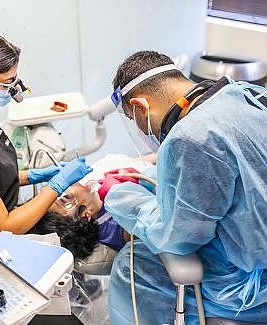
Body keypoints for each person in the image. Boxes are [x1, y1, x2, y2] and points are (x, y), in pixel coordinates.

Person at [104, 50, 267, 324]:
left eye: (135, 122)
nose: (144, 132)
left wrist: (122, 197)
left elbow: (179, 238)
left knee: (132, 264)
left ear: (141, 107)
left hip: (249, 291)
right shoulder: (244, 95)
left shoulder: (191, 137)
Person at [0, 26, 92, 234]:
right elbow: (2, 227)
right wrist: (56, 185)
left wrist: (32, 176)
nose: (14, 91)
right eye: (6, 84)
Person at [31, 167, 142, 259]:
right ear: (85, 216)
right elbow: (152, 227)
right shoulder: (117, 228)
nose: (68, 187)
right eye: (65, 198)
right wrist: (131, 198)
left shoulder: (97, 195)